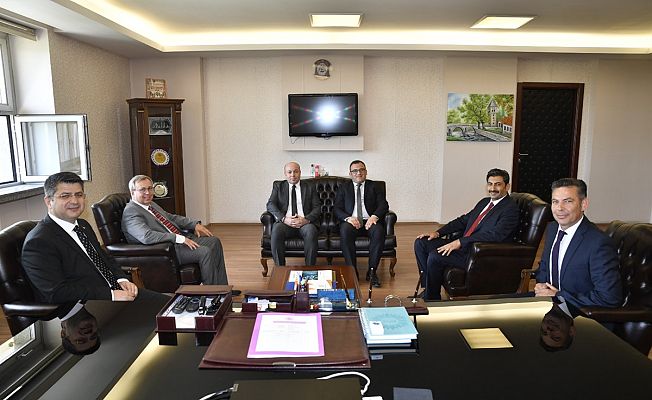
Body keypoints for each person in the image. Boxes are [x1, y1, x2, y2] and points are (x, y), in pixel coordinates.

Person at [22, 172, 139, 303]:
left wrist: (121, 279)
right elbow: (57, 292)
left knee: (159, 305)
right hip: (84, 306)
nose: (74, 201)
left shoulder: (83, 225)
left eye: (78, 195)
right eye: (65, 196)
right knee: (156, 312)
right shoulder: (39, 241)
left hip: (114, 294)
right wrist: (111, 295)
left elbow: (104, 257)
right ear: (49, 201)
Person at [414, 168, 519, 300]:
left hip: (476, 253)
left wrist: (461, 242)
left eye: (498, 184)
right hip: (464, 245)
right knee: (421, 243)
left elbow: (495, 235)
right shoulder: (484, 202)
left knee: (436, 256)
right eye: (490, 184)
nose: (493, 188)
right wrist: (438, 232)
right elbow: (463, 220)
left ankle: (431, 299)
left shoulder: (510, 209)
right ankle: (428, 288)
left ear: (507, 186)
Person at [122, 175, 228, 285]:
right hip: (166, 249)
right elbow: (146, 236)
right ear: (132, 192)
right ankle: (212, 291)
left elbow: (170, 218)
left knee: (214, 242)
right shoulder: (131, 212)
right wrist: (178, 238)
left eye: (150, 188)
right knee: (204, 252)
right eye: (142, 189)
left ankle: (222, 287)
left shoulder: (150, 204)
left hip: (178, 242)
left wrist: (194, 225)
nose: (148, 193)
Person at [534, 178, 622, 308]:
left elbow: (609, 297)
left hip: (578, 312)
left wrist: (558, 295)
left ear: (583, 204)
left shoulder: (598, 243)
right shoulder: (553, 228)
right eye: (555, 202)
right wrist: (541, 285)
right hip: (547, 303)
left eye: (567, 201)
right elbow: (545, 267)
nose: (559, 208)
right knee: (500, 307)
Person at [334, 160, 389, 288]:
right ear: (350, 173)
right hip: (352, 222)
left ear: (366, 172)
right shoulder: (344, 187)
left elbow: (383, 204)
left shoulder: (374, 186)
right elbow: (337, 208)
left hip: (370, 221)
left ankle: (372, 272)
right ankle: (352, 271)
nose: (358, 173)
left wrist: (374, 216)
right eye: (355, 171)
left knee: (379, 231)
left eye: (361, 170)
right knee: (345, 230)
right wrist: (348, 218)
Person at [266, 162, 321, 266]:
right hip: (286, 223)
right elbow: (270, 204)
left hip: (304, 223)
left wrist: (306, 220)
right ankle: (280, 268)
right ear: (285, 174)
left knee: (311, 230)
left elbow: (317, 207)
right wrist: (284, 219)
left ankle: (309, 268)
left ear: (300, 172)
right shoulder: (278, 186)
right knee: (277, 229)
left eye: (296, 172)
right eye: (289, 172)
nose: (293, 175)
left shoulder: (309, 186)